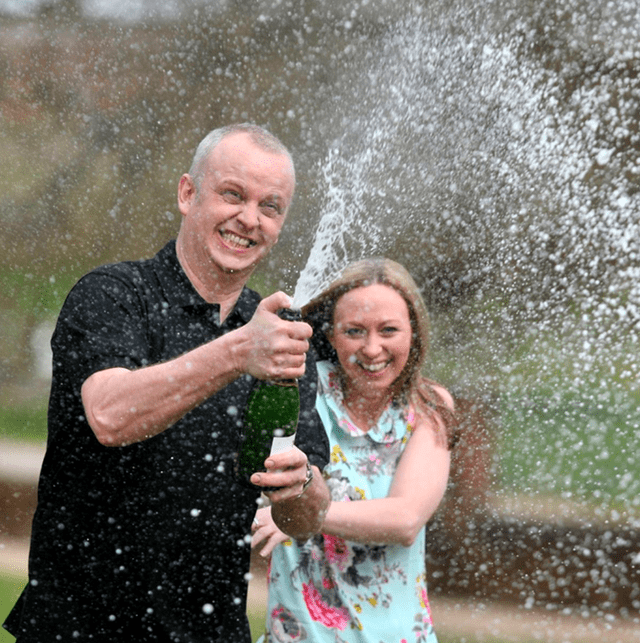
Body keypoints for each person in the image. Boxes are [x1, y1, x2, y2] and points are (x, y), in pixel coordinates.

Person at [3, 123, 330, 643]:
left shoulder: (281, 337)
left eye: (270, 207)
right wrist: (239, 350)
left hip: (210, 629)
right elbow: (110, 416)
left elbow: (303, 518)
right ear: (187, 193)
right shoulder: (112, 295)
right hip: (80, 627)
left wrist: (302, 485)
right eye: (232, 194)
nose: (249, 219)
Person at [251, 257, 457, 643]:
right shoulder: (300, 394)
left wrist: (299, 515)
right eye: (355, 331)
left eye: (389, 330)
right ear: (329, 335)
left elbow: (405, 519)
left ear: (413, 333)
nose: (372, 348)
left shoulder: (429, 406)